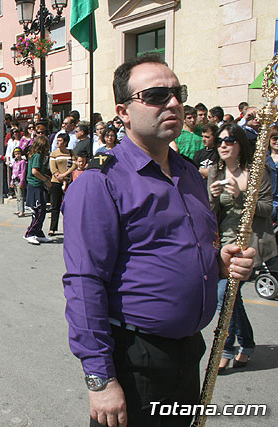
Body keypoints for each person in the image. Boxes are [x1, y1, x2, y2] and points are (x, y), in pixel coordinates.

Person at [62, 53, 255, 427]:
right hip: (136, 361)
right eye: (154, 95)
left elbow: (183, 253)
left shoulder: (190, 175)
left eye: (177, 93)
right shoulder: (101, 183)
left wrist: (222, 264)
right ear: (123, 111)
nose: (173, 103)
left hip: (189, 352)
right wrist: (100, 380)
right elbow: (85, 284)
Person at [208, 124, 276, 374]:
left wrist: (241, 196)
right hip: (226, 244)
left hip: (252, 244)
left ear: (240, 144)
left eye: (230, 140)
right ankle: (246, 344)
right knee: (232, 298)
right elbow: (211, 214)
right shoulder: (215, 171)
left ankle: (225, 350)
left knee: (224, 297)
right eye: (220, 141)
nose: (224, 144)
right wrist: (213, 198)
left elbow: (269, 208)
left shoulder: (258, 171)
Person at [23, 135, 51, 245]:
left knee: (42, 210)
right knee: (38, 211)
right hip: (35, 186)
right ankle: (30, 233)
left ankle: (38, 232)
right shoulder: (38, 156)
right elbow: (35, 171)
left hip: (36, 185)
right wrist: (45, 180)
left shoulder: (34, 155)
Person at [48, 134, 75, 236]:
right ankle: (53, 228)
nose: (57, 142)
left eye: (60, 141)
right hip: (56, 181)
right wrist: (58, 175)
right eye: (57, 140)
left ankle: (69, 227)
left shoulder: (71, 153)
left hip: (68, 181)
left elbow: (74, 165)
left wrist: (65, 175)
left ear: (65, 142)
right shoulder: (54, 154)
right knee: (55, 205)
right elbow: (53, 168)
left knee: (69, 206)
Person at [10, 147, 27, 217]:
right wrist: (11, 181)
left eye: (18, 154)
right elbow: (13, 172)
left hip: (19, 180)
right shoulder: (15, 163)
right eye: (16, 154)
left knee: (20, 196)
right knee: (17, 195)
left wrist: (22, 182)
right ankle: (18, 209)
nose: (17, 155)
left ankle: (22, 211)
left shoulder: (23, 162)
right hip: (15, 180)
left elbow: (23, 172)